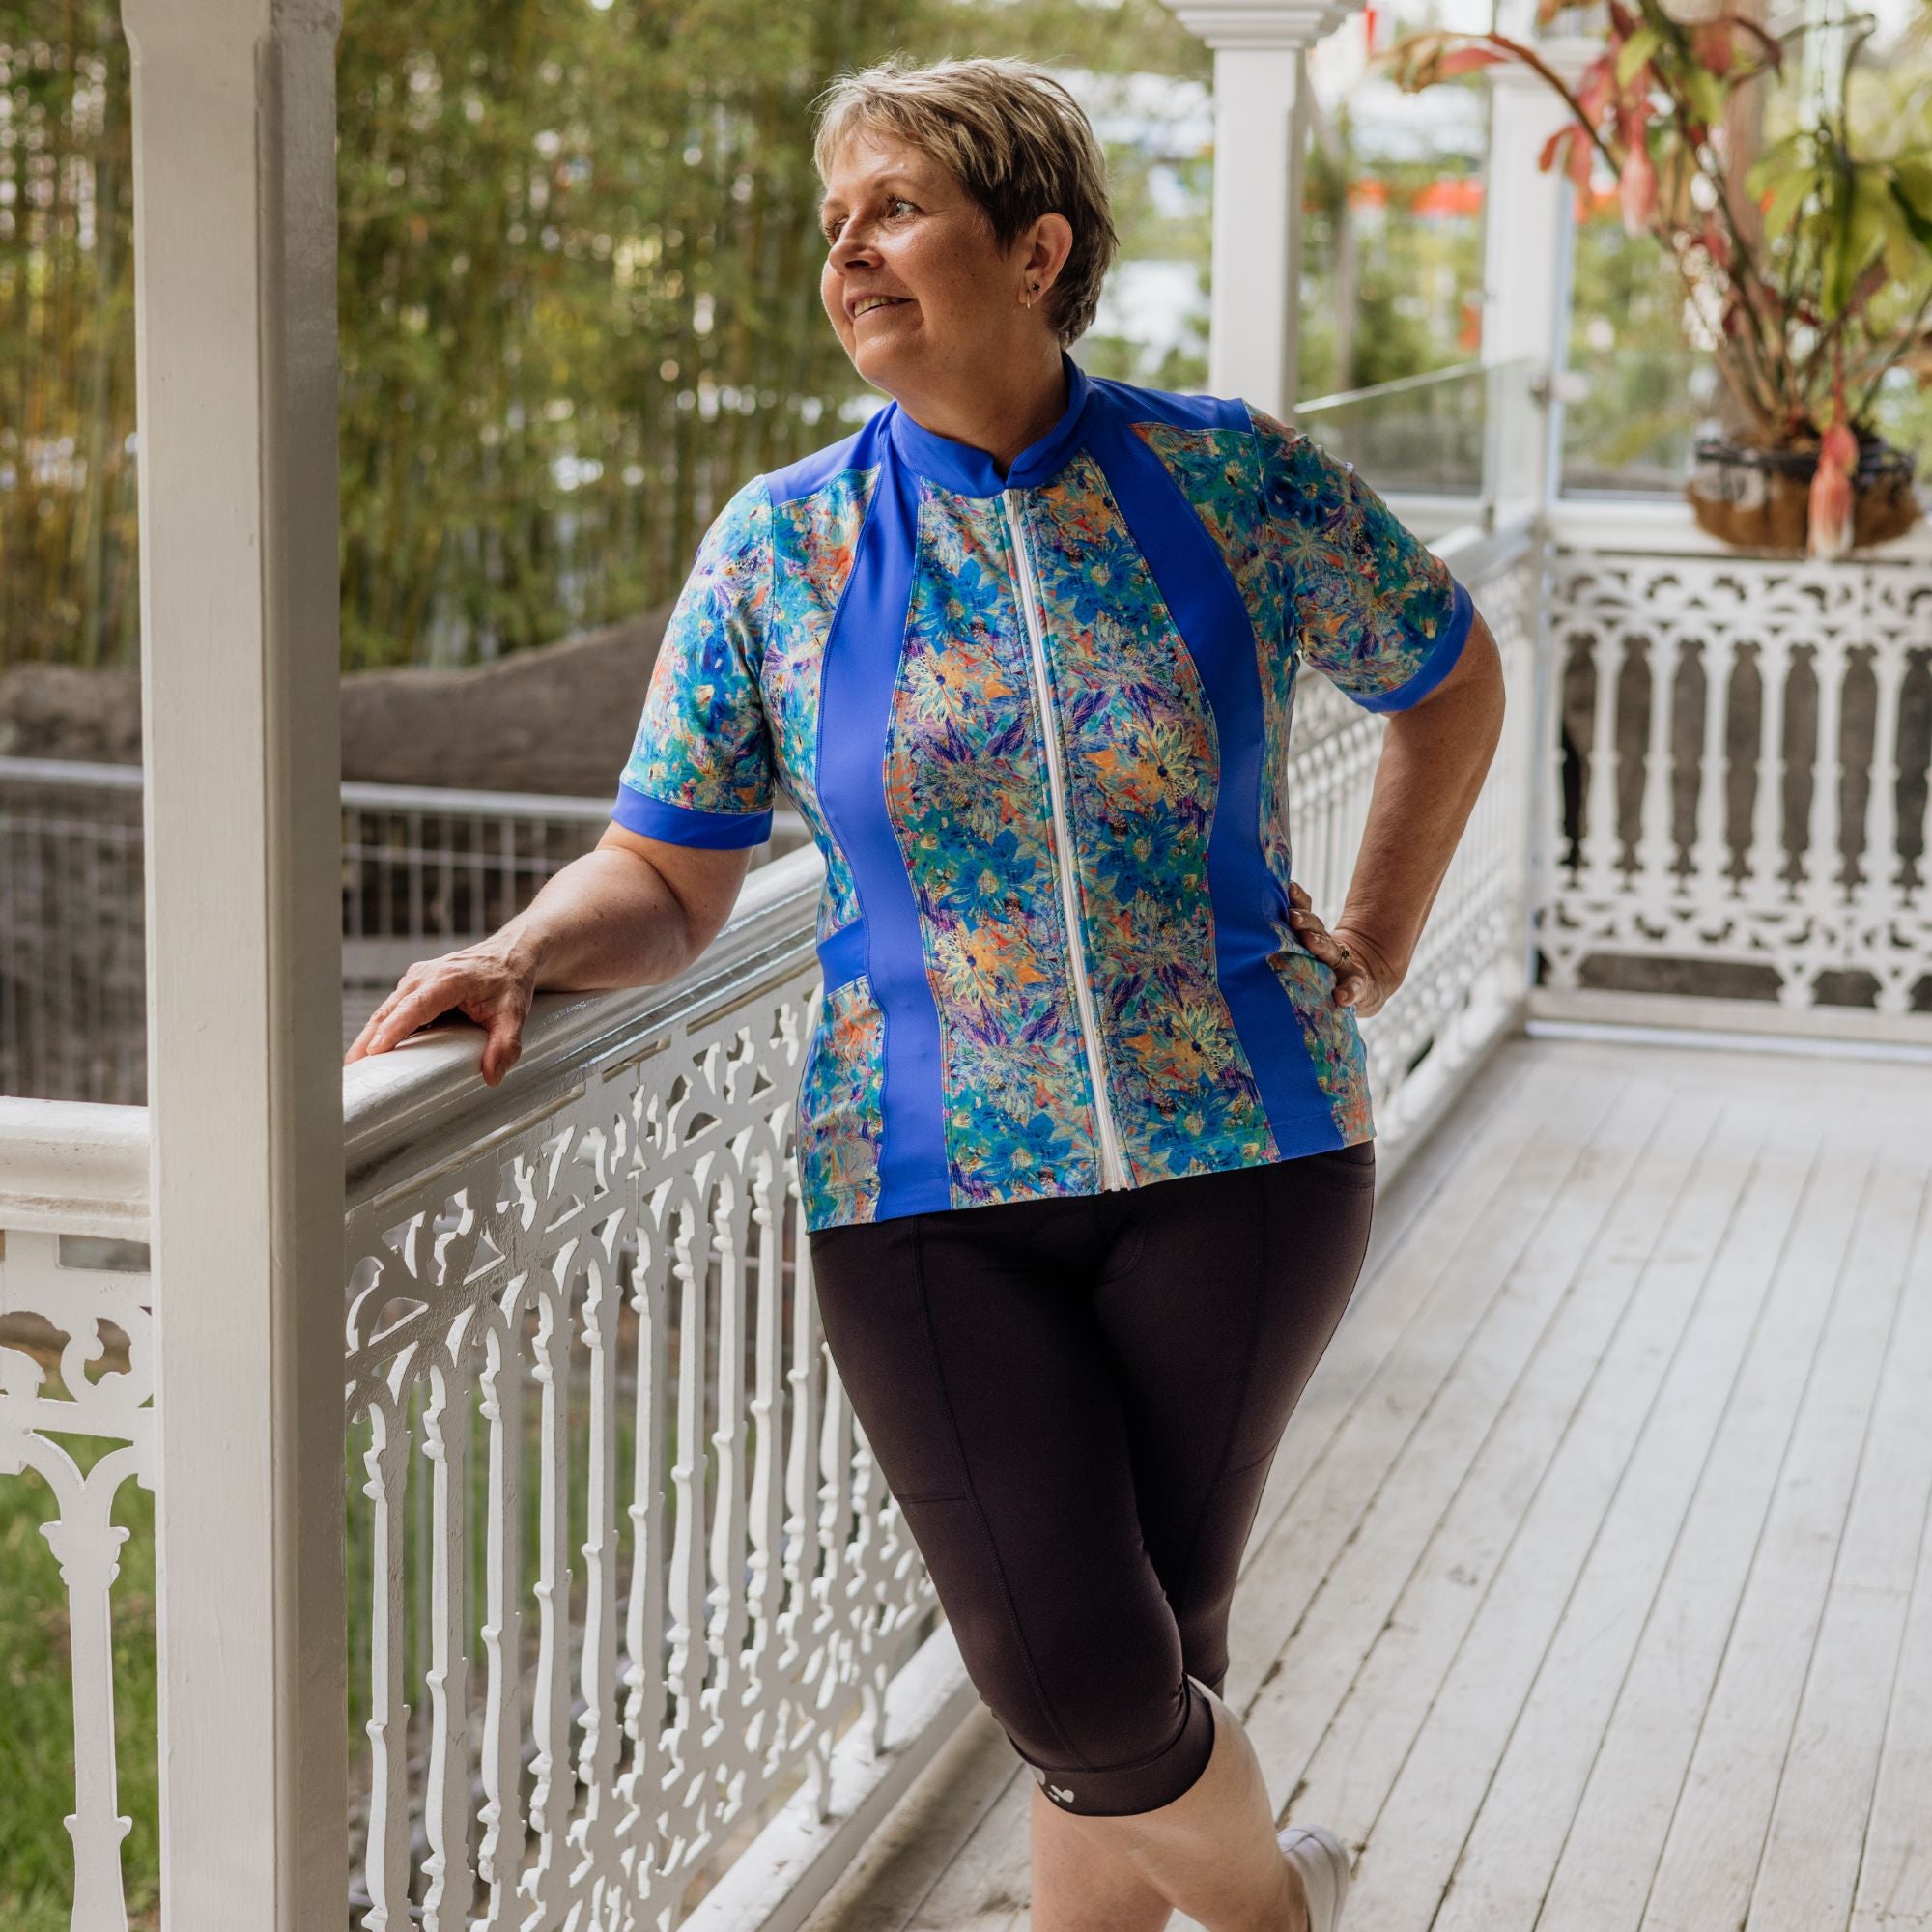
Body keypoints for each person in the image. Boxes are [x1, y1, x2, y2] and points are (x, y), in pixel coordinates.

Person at [347, 51, 1506, 1932]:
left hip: (1248, 1147)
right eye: (834, 226)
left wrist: (1371, 928)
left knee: (1146, 1642)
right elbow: (668, 867)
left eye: (891, 210)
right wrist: (523, 945)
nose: (850, 255)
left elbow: (1445, 675)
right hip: (915, 1187)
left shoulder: (1230, 479)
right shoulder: (780, 544)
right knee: (1071, 1667)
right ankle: (1276, 1902)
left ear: (1034, 245)